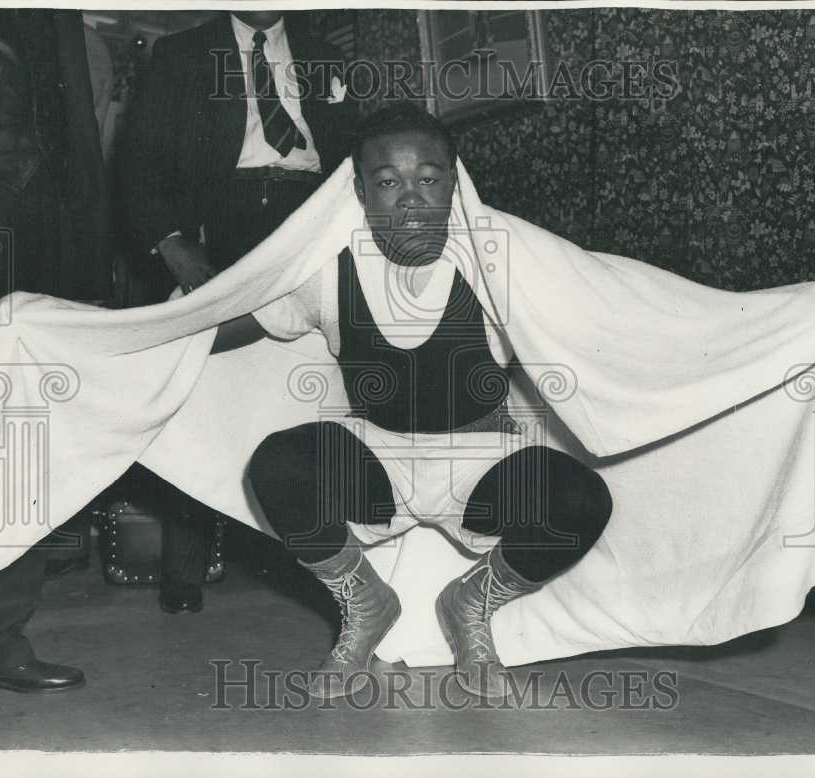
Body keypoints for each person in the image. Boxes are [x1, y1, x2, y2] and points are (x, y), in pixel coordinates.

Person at [211, 104, 614, 701]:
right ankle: (365, 603)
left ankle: (471, 604)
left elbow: (623, 314)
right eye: (388, 182)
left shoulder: (501, 266)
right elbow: (227, 321)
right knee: (276, 462)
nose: (409, 199)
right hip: (380, 460)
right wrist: (131, 337)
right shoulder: (329, 271)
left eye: (428, 179)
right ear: (360, 190)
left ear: (455, 184)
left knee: (582, 498)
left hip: (484, 463)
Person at [119, 9, 357, 614]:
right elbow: (141, 161)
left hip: (309, 218)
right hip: (219, 221)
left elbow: (354, 152)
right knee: (202, 383)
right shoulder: (181, 53)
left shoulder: (325, 50)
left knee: (315, 388)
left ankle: (326, 568)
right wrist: (173, 245)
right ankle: (185, 566)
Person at [0, 8, 108, 692]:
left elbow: (76, 128)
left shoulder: (59, 17)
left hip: (39, 227)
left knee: (18, 436)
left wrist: (89, 266)